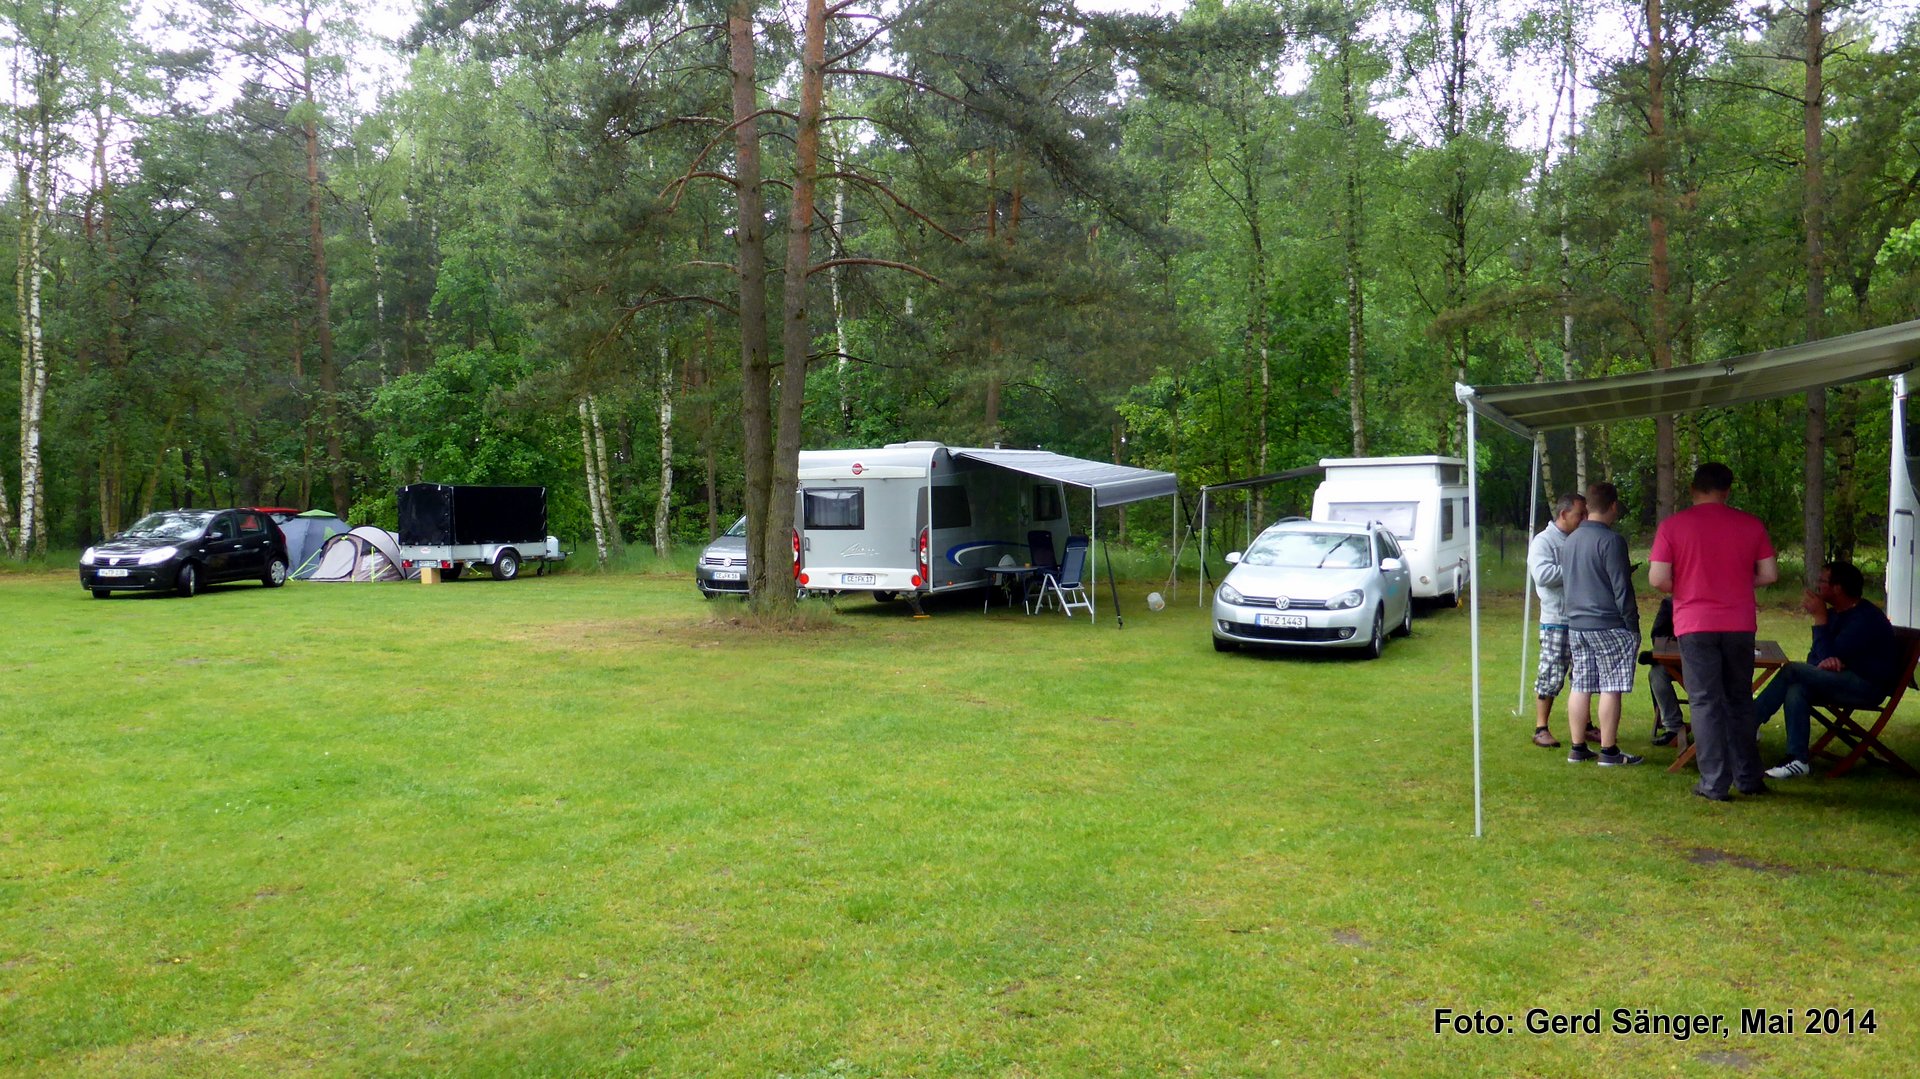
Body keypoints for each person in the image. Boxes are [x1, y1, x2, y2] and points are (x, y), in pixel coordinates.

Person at [1649, 462, 1779, 802]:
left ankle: (1714, 782)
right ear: (1727, 490)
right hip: (1739, 622)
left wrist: (1686, 585)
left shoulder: (1673, 526)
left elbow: (1658, 578)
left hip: (1695, 622)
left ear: (1693, 489)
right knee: (1739, 698)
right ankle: (1748, 777)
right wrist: (1738, 582)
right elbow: (1769, 574)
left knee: (1705, 701)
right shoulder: (1750, 524)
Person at [1758, 561, 1900, 779]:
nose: (1817, 585)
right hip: (1841, 680)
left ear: (1838, 588)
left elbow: (1824, 657)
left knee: (1792, 670)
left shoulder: (1864, 619)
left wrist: (1819, 618)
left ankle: (1745, 724)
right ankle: (1797, 760)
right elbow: (1816, 658)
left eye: (1822, 581)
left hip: (1866, 685)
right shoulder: (1836, 614)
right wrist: (1827, 657)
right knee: (1797, 688)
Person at [1561, 482, 1645, 766]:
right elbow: (1622, 588)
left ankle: (1578, 747)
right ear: (1613, 506)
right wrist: (1632, 625)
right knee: (1612, 685)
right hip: (1609, 623)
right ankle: (1609, 751)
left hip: (1577, 623)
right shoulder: (1612, 541)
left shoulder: (1570, 540)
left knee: (1581, 683)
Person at [1526, 492, 1587, 748]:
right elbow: (1542, 575)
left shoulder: (1579, 538)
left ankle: (1586, 725)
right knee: (1551, 673)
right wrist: (1579, 568)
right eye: (1579, 514)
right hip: (1557, 619)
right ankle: (1541, 728)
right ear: (1563, 514)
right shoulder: (1543, 541)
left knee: (1583, 675)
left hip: (1582, 618)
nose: (1584, 519)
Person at [1640, 598, 1686, 746]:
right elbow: (1658, 637)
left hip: (1707, 663)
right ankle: (1673, 727)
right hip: (1676, 661)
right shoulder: (1669, 604)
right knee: (1657, 673)